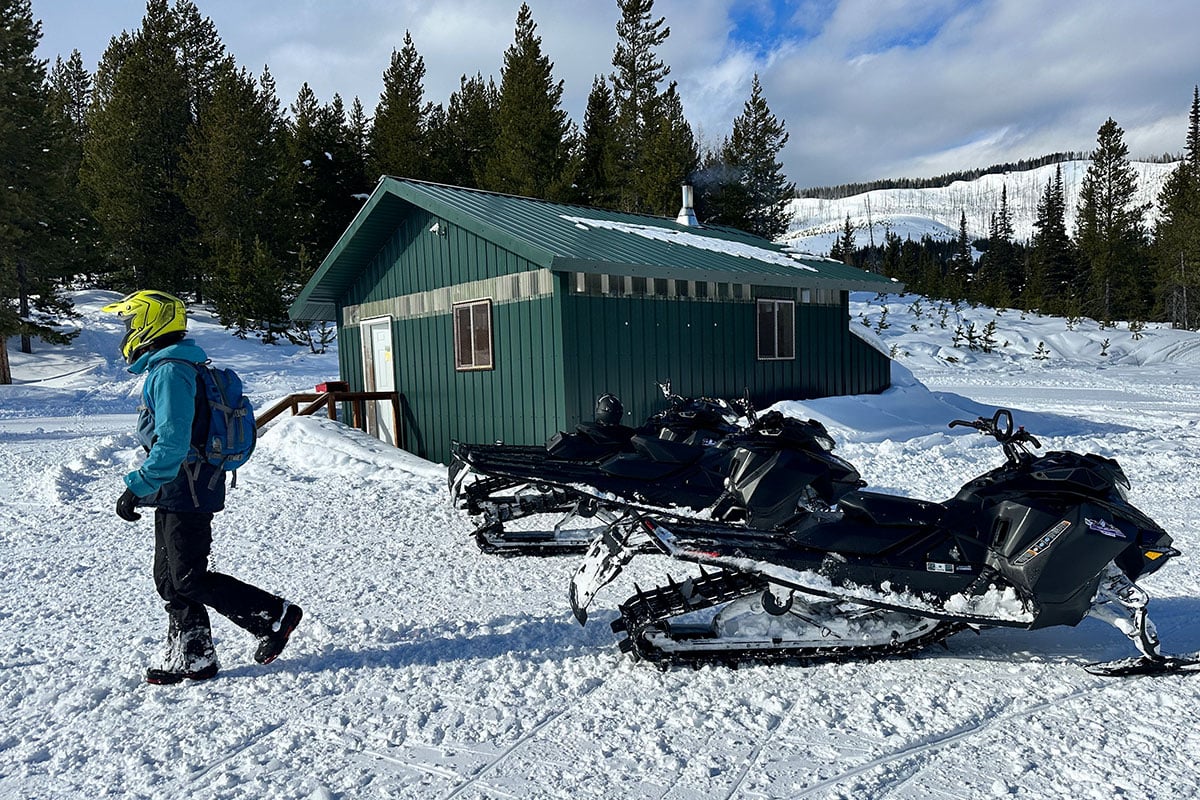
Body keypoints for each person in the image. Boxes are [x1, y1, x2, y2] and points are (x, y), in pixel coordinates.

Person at [103, 290, 302, 685]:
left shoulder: (171, 372)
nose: (126, 332)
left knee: (188, 576)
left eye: (129, 323)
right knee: (169, 577)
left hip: (187, 485)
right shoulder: (176, 367)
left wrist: (136, 486)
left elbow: (173, 441)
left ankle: (274, 615)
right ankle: (194, 655)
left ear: (148, 323)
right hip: (182, 484)